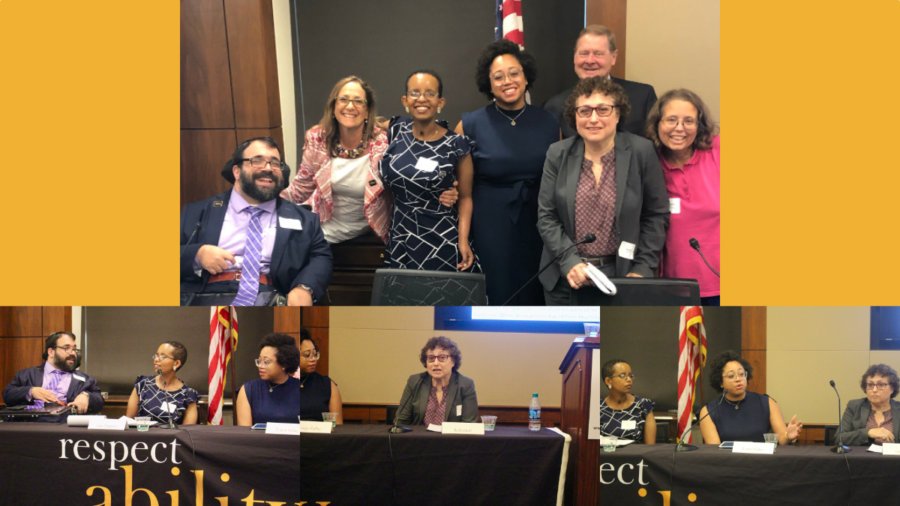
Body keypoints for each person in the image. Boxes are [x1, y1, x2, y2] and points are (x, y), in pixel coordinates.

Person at [537, 77, 669, 305]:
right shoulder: (558, 153)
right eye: (585, 111)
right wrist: (570, 261)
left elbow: (655, 215)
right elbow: (546, 216)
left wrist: (642, 268)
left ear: (618, 114)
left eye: (603, 110)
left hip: (623, 275)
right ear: (574, 117)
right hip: (566, 277)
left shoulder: (641, 151)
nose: (593, 119)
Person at [456, 39, 560, 304]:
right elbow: (457, 186)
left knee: (535, 290)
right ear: (488, 84)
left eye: (514, 73)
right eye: (498, 77)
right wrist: (463, 237)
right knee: (497, 290)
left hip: (538, 221)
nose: (507, 81)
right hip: (490, 222)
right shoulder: (470, 124)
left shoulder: (549, 122)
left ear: (526, 77)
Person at [180, 136, 332, 306]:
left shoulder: (304, 219)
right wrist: (197, 255)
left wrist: (305, 288)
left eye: (275, 163)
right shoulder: (197, 212)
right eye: (257, 161)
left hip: (272, 295)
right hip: (206, 294)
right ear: (237, 171)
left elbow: (321, 256)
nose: (268, 168)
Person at [380, 70, 477, 272]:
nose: (421, 99)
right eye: (415, 93)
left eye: (430, 93)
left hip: (440, 238)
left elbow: (466, 197)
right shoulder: (396, 131)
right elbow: (360, 123)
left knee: (441, 300)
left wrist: (463, 241)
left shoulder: (456, 144)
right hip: (401, 236)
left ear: (440, 102)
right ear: (405, 100)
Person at [646, 89, 720, 305]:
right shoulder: (647, 162)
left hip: (721, 284)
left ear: (700, 126)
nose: (680, 128)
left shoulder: (718, 150)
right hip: (670, 288)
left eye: (689, 121)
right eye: (671, 120)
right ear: (657, 124)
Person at [544, 24, 657, 138]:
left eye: (598, 54)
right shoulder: (556, 105)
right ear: (574, 57)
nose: (590, 60)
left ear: (613, 57)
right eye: (584, 53)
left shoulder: (642, 97)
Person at [699, 351, 802, 445]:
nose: (738, 379)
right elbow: (714, 453)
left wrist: (788, 437)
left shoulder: (767, 403)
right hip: (728, 464)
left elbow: (782, 439)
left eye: (741, 374)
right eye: (731, 376)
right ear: (720, 382)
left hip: (762, 463)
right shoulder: (708, 412)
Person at [2, 331, 104, 420]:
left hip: (66, 427)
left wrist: (87, 397)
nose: (73, 353)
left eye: (74, 349)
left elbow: (99, 399)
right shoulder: (27, 374)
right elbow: (8, 395)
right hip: (30, 424)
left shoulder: (84, 379)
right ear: (51, 352)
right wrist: (31, 391)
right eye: (66, 348)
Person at [396, 336, 478, 426]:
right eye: (431, 358)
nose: (436, 363)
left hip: (451, 439)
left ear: (453, 361)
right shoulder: (415, 382)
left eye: (442, 358)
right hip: (419, 438)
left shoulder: (465, 385)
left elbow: (469, 424)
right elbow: (401, 421)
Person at [125, 341, 199, 425]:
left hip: (172, 438)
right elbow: (129, 422)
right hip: (142, 436)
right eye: (156, 355)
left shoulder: (188, 395)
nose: (156, 359)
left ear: (176, 363)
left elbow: (188, 432)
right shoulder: (143, 385)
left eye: (163, 356)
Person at [236, 333, 301, 426]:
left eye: (266, 362)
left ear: (284, 364)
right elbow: (245, 434)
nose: (260, 366)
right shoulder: (249, 390)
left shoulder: (298, 388)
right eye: (259, 361)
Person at [840, 364, 900, 445]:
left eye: (881, 385)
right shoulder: (854, 406)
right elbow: (839, 438)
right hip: (862, 457)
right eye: (870, 385)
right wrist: (868, 433)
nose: (874, 390)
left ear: (892, 388)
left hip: (891, 457)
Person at [600, 359, 656, 444]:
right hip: (607, 455)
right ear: (608, 381)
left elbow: (650, 447)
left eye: (630, 375)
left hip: (636, 456)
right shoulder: (598, 408)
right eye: (622, 375)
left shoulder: (643, 405)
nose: (629, 379)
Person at [299, 329, 343, 424]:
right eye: (307, 355)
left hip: (319, 437)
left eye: (315, 354)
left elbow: (336, 427)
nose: (313, 359)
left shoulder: (328, 386)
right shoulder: (284, 382)